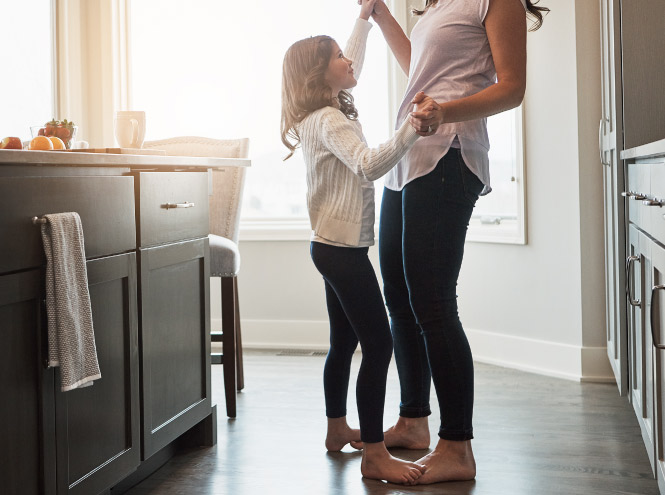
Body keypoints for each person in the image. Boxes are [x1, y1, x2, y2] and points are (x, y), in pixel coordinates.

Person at [363, 0, 550, 484]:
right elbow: (422, 76)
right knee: (400, 298)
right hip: (406, 155)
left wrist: (444, 112)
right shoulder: (436, 8)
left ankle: (457, 446)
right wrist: (383, 16)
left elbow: (511, 87)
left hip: (449, 155)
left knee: (432, 302)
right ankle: (413, 420)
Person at [280, 0, 440, 485]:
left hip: (328, 246)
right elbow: (369, 164)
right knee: (379, 342)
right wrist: (411, 129)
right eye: (339, 59)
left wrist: (365, 18)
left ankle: (335, 430)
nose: (350, 63)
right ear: (320, 74)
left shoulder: (318, 110)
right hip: (343, 254)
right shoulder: (330, 122)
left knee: (343, 341)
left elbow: (350, 58)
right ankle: (374, 453)